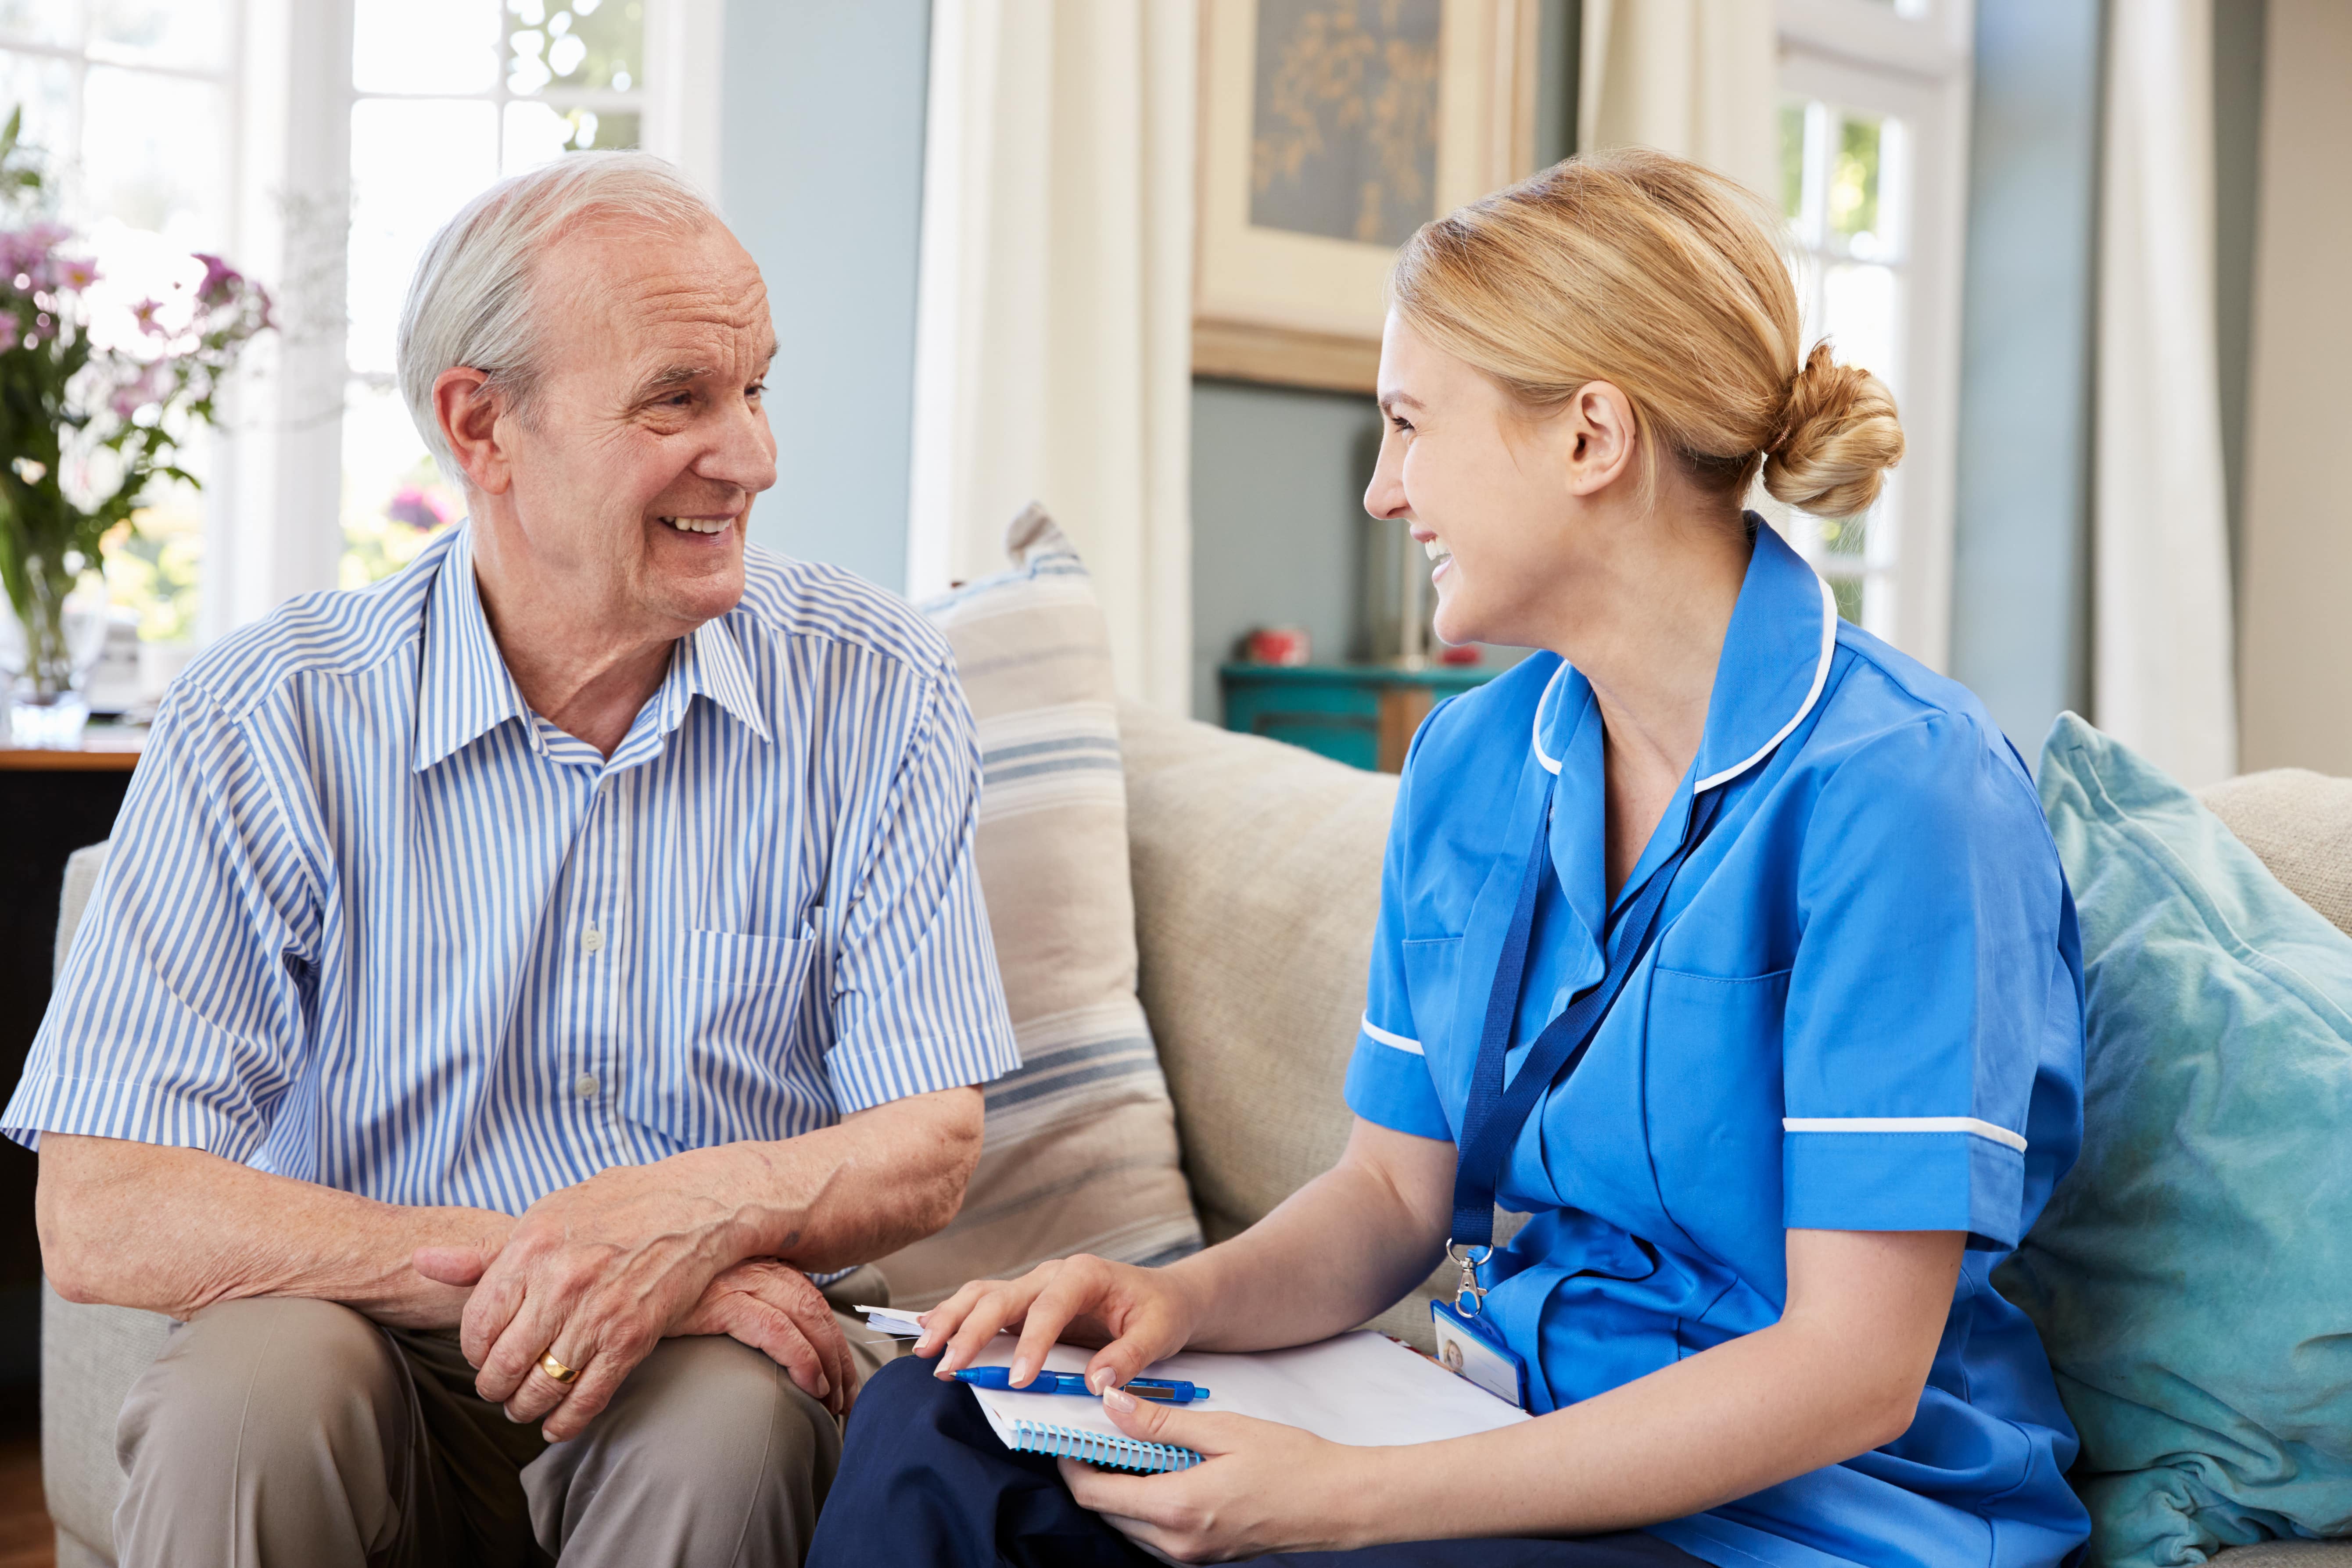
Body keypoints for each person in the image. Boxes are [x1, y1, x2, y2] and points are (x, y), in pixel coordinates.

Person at [809, 148, 2090, 1568]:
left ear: (1590, 438)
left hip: (1794, 1523)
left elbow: (1850, 1372)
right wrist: (1163, 1299)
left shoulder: (1906, 794)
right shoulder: (1475, 764)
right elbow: (1391, 1198)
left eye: (1411, 425)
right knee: (942, 1425)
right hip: (1483, 1437)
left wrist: (1335, 1498)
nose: (1381, 490)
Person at [8, 151, 1021, 1568]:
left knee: (727, 1428)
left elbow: (928, 1139)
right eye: (681, 397)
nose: (753, 455)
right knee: (249, 1401)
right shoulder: (274, 711)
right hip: (374, 1345)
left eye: (756, 388)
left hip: (707, 1372)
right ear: (484, 427)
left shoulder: (872, 681)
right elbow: (106, 1208)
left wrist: (690, 1225)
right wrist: (601, 1268)